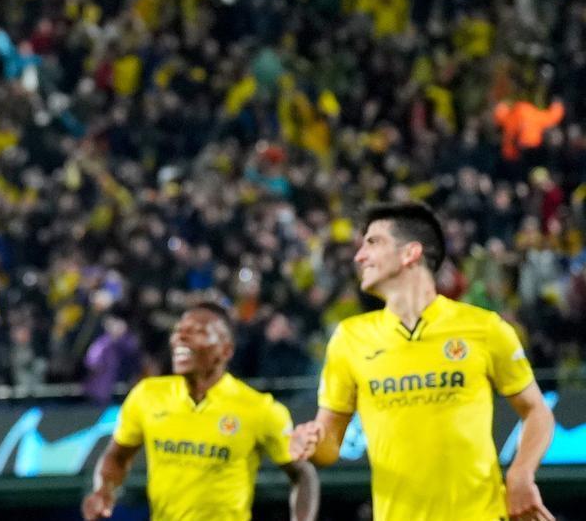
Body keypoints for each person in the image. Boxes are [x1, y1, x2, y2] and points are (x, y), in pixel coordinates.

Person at [290, 202, 555, 521]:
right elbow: (330, 441)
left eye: (373, 242)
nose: (359, 256)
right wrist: (311, 442)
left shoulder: (484, 328)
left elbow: (537, 411)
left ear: (410, 253)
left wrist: (520, 475)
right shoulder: (350, 338)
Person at [82, 303, 318, 521]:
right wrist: (103, 489)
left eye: (198, 332)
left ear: (225, 350)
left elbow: (303, 475)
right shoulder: (147, 395)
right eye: (179, 330)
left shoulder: (259, 408)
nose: (181, 337)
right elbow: (117, 456)